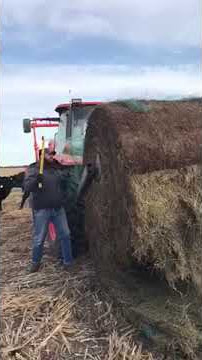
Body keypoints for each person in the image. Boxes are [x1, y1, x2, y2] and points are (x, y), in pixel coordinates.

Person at [24, 148, 73, 272]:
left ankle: (68, 262)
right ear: (42, 155)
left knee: (65, 235)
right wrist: (36, 180)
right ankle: (35, 263)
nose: (52, 156)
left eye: (53, 153)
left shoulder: (55, 169)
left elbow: (64, 179)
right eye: (49, 154)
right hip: (42, 211)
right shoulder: (34, 169)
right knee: (39, 238)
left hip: (58, 209)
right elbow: (27, 186)